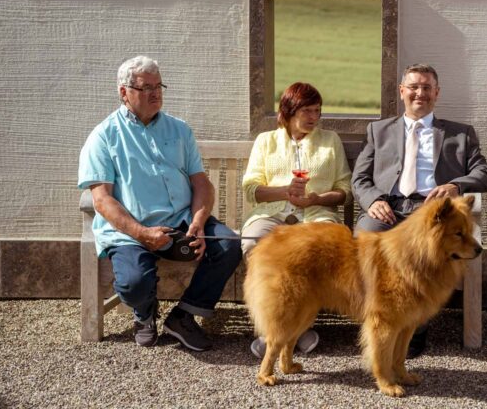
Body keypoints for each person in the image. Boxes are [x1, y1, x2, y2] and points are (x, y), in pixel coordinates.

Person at [78, 55, 242, 351]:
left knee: (228, 245)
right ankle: (144, 313)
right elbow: (101, 200)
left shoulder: (179, 129)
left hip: (181, 220)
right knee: (133, 284)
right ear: (123, 92)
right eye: (145, 88)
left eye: (159, 86)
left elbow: (200, 183)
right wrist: (142, 234)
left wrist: (198, 221)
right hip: (131, 229)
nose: (155, 93)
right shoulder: (103, 136)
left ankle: (184, 316)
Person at [351, 63, 487, 358]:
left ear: (437, 93)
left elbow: (485, 174)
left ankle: (414, 329)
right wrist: (373, 200)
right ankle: (379, 323)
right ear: (402, 91)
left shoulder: (460, 134)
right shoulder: (379, 131)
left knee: (427, 252)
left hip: (431, 214)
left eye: (427, 88)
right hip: (388, 208)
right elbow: (360, 179)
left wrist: (455, 185)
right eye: (414, 87)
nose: (420, 93)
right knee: (365, 235)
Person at [241, 82, 352, 358]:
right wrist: (284, 192)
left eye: (318, 111)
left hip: (318, 216)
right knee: (256, 242)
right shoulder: (266, 141)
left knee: (321, 251)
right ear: (289, 111)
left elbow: (345, 192)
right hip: (271, 214)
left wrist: (315, 199)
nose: (314, 117)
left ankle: (283, 331)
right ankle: (289, 330)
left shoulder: (330, 141)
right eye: (307, 111)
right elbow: (250, 188)